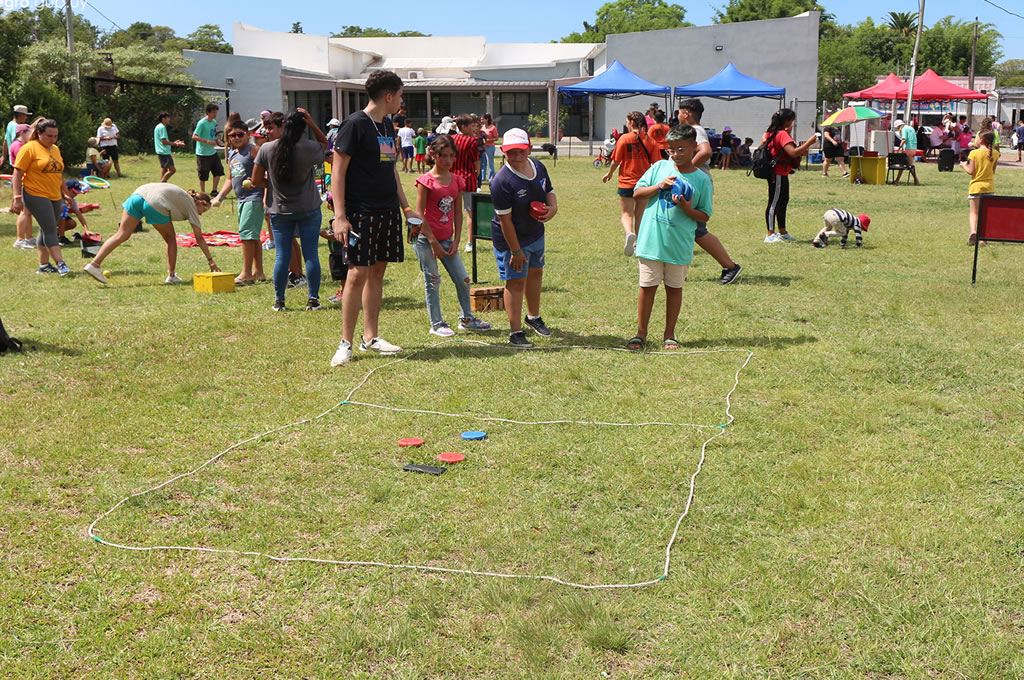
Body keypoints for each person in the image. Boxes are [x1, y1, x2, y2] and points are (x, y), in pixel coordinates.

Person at [330, 70, 423, 366]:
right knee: (357, 273)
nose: (401, 102)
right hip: (361, 212)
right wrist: (340, 216)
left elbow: (391, 168)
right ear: (388, 96)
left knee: (378, 271)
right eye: (400, 96)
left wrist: (406, 208)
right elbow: (337, 173)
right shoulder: (354, 124)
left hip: (387, 210)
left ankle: (370, 337)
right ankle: (345, 343)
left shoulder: (386, 124)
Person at [626, 124, 711, 350]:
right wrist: (658, 186)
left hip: (678, 245)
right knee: (647, 287)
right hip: (651, 242)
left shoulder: (701, 180)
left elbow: (705, 214)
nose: (675, 154)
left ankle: (669, 334)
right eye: (670, 149)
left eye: (681, 149)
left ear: (694, 147)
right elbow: (637, 192)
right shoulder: (659, 168)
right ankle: (641, 333)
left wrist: (687, 208)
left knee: (674, 288)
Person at [412, 134, 492, 337]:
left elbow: (458, 213)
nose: (448, 160)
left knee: (463, 279)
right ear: (433, 155)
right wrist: (433, 242)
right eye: (444, 156)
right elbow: (419, 214)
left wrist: (456, 240)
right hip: (425, 239)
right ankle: (436, 323)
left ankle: (467, 319)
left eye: (451, 156)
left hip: (447, 239)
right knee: (433, 280)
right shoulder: (425, 181)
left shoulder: (458, 180)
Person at [253, 108, 329, 311]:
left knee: (282, 256)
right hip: (309, 208)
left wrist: (272, 186)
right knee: (311, 254)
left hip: (279, 210)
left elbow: (256, 180)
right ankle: (313, 299)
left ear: (284, 126)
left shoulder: (266, 149)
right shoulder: (309, 147)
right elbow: (325, 144)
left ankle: (279, 301)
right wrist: (312, 122)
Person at [488, 128, 556, 348]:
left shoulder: (538, 166)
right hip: (511, 240)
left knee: (536, 274)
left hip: (535, 233)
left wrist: (553, 208)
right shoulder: (501, 181)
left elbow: (549, 190)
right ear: (503, 151)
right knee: (516, 282)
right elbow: (505, 221)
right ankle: (515, 332)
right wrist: (516, 251)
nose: (517, 156)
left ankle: (533, 317)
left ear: (530, 148)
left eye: (521, 151)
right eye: (511, 152)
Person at [82, 184, 220, 284]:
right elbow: (199, 238)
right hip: (154, 202)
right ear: (201, 203)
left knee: (121, 234)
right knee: (171, 239)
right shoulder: (191, 205)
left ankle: (94, 264)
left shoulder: (182, 197)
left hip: (137, 195)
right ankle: (171, 276)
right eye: (204, 210)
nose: (201, 214)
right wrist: (211, 261)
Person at [675, 99, 742, 283]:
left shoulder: (695, 131)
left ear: (687, 113)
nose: (678, 115)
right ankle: (679, 271)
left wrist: (684, 169)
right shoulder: (694, 130)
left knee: (697, 230)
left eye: (679, 112)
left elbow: (705, 151)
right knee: (684, 227)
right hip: (694, 183)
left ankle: (730, 266)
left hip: (695, 184)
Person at [10, 119, 74, 275]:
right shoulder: (29, 148)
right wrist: (17, 197)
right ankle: (61, 263)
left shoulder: (55, 149)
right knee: (51, 228)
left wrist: (65, 193)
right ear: (38, 133)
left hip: (54, 195)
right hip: (35, 194)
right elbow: (17, 174)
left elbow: (58, 173)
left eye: (55, 136)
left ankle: (43, 266)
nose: (52, 139)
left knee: (46, 229)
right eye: (49, 136)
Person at [212, 119, 266, 284]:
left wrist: (264, 194)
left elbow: (267, 173)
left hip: (254, 198)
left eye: (239, 134)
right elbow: (230, 178)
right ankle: (258, 272)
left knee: (246, 236)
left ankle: (246, 273)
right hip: (242, 200)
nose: (236, 138)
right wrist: (220, 197)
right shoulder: (233, 154)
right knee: (253, 236)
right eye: (232, 136)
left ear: (248, 134)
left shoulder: (254, 150)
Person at [602, 111, 658, 256]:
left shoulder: (624, 138)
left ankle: (629, 233)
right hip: (644, 184)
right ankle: (638, 243)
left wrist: (609, 173)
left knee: (626, 213)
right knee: (640, 214)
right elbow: (657, 163)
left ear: (631, 123)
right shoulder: (650, 140)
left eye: (627, 122)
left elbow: (616, 161)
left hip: (626, 182)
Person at [763, 108, 815, 243]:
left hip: (780, 172)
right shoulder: (782, 134)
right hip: (778, 172)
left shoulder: (772, 132)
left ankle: (782, 231)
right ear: (787, 121)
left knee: (783, 201)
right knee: (774, 202)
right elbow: (793, 152)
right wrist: (809, 143)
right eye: (792, 121)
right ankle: (770, 234)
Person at [961, 130, 999, 247]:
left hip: (976, 187)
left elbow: (971, 171)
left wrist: (964, 166)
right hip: (989, 187)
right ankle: (983, 238)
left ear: (981, 140)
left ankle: (973, 231)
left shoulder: (974, 153)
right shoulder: (995, 153)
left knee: (974, 212)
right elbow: (993, 171)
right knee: (985, 214)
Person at [8, 123, 34, 250]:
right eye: (29, 134)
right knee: (25, 211)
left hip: (25, 181)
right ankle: (19, 239)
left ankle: (29, 238)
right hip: (22, 181)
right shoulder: (18, 146)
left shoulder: (20, 145)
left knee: (28, 212)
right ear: (22, 133)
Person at [192, 103, 224, 196]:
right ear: (208, 112)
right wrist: (207, 141)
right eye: (213, 112)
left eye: (216, 112)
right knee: (203, 175)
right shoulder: (202, 123)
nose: (215, 114)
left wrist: (217, 140)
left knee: (219, 171)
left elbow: (212, 134)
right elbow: (194, 136)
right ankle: (203, 193)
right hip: (202, 153)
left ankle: (214, 191)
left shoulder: (213, 122)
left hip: (212, 152)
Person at [154, 111, 185, 182]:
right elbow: (164, 141)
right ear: (163, 119)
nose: (169, 119)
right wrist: (177, 144)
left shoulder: (158, 126)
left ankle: (162, 185)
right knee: (172, 170)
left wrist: (175, 142)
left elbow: (163, 141)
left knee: (164, 169)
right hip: (164, 152)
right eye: (168, 117)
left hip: (161, 151)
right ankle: (162, 183)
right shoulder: (162, 127)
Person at [893, 119, 920, 185]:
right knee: (904, 165)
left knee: (909, 166)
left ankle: (916, 181)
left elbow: (904, 139)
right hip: (914, 148)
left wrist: (899, 148)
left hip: (908, 149)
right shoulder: (911, 128)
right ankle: (897, 180)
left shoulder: (904, 129)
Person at [4, 104, 30, 168]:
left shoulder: (10, 124)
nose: (26, 117)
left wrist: (3, 156)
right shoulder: (16, 127)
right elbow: (16, 141)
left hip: (12, 159)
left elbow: (5, 141)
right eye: (25, 115)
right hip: (17, 159)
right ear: (20, 115)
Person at [480, 113, 498, 182]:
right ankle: (483, 177)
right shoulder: (482, 127)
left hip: (490, 147)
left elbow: (496, 138)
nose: (481, 120)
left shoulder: (493, 127)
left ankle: (491, 178)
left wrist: (488, 140)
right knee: (483, 162)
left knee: (490, 163)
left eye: (482, 119)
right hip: (482, 146)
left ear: (487, 119)